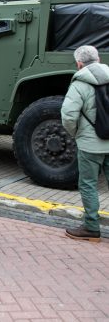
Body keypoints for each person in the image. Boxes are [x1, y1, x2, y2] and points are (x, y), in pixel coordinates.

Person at [61, 45, 109, 242]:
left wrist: (77, 134)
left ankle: (91, 227)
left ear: (79, 63)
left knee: (88, 184)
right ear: (98, 59)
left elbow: (68, 116)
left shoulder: (79, 83)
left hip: (91, 145)